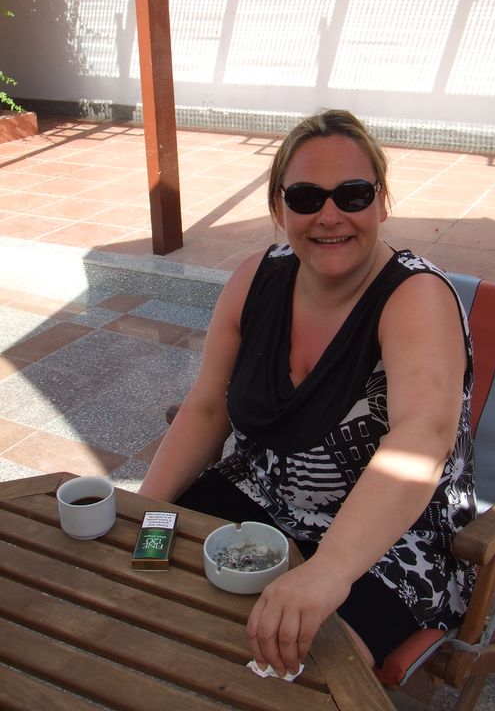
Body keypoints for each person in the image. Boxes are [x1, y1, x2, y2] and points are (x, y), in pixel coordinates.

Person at [139, 109, 476, 678]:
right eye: (305, 197)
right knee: (145, 586)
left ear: (382, 202)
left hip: (392, 538)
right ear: (280, 209)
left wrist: (327, 572)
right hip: (260, 492)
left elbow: (422, 436)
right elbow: (206, 407)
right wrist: (142, 509)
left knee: (300, 674)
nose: (329, 215)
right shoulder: (255, 280)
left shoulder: (414, 297)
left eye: (353, 194)